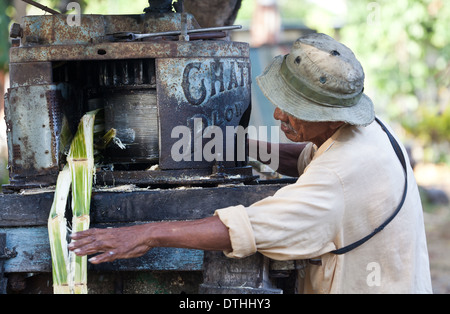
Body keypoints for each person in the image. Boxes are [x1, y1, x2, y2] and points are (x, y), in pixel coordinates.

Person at [69, 33, 432, 294]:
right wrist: (238, 142)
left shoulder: (338, 178)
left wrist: (147, 233)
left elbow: (245, 229)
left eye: (293, 110)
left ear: (333, 115)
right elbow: (309, 160)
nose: (277, 114)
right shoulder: (366, 133)